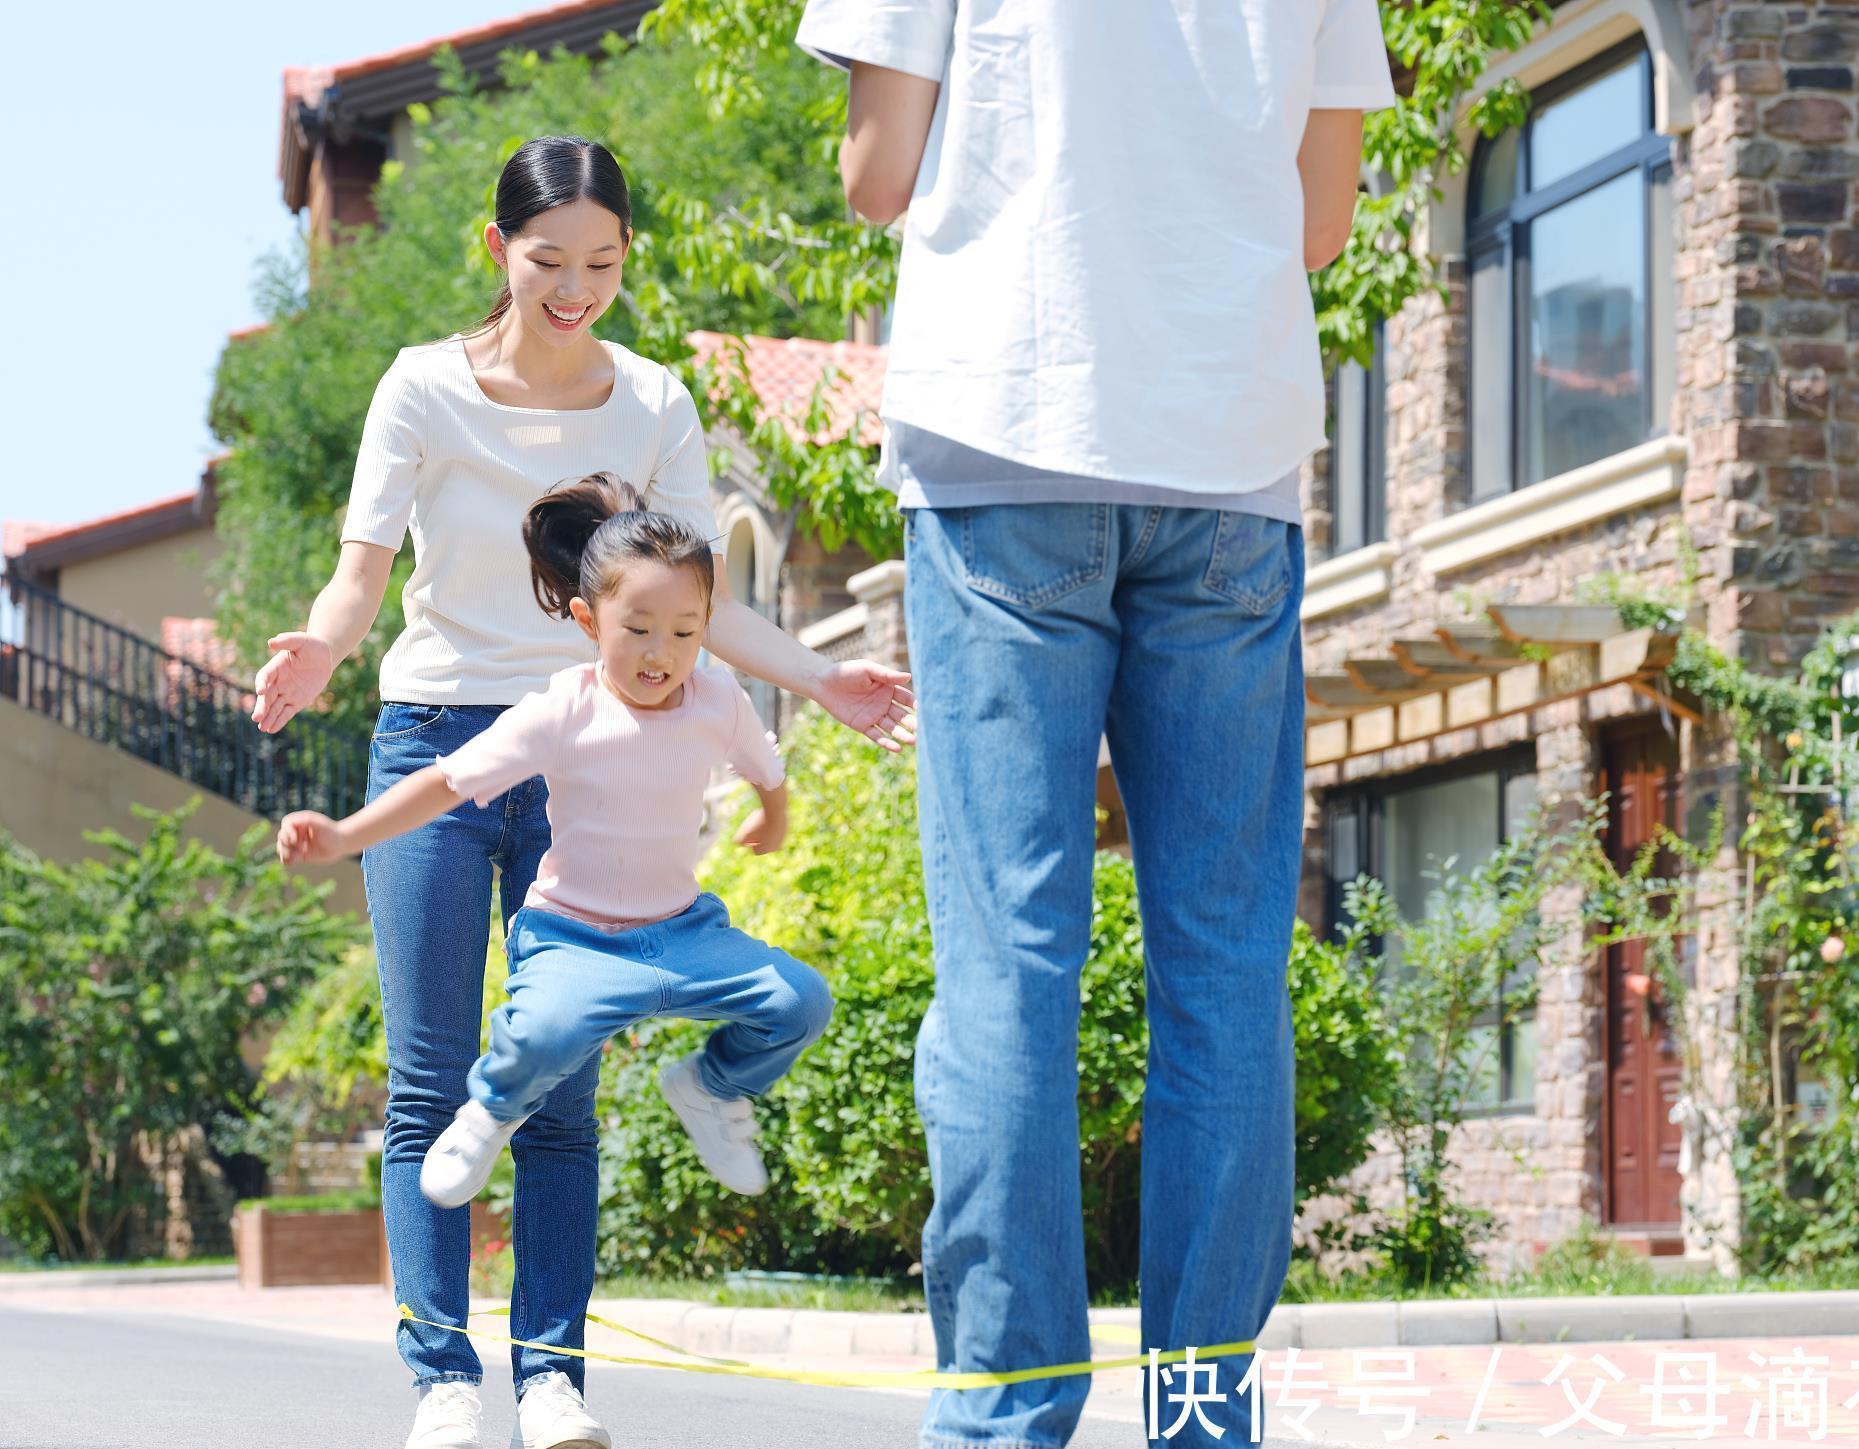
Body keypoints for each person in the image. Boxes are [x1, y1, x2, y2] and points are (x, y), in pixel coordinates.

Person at [792, 4, 1395, 1445]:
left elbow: (878, 176)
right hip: (1228, 460)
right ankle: (1202, 1416)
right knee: (1228, 958)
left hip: (1005, 435)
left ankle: (1006, 1414)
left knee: (1010, 954)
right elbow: (1322, 220)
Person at [251, 136, 912, 1449]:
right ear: (496, 249)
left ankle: (551, 1377)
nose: (577, 287)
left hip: (593, 750)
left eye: (603, 263)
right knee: (436, 1078)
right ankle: (443, 1378)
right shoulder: (420, 389)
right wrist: (324, 645)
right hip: (437, 737)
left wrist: (817, 675)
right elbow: (362, 574)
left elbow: (698, 604)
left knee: (555, 1079)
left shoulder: (655, 403)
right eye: (551, 260)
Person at [277, 471, 831, 1221]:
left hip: (683, 931)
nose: (660, 654)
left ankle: (712, 1087)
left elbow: (766, 765)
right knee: (548, 1034)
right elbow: (444, 783)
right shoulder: (560, 710)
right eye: (637, 629)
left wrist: (775, 818)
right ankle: (492, 1109)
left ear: (706, 624)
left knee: (800, 1001)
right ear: (587, 620)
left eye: (685, 631)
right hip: (576, 935)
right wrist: (345, 833)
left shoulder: (715, 699)